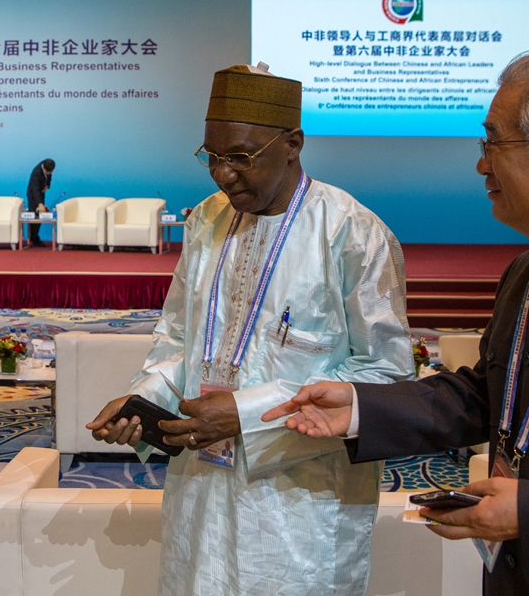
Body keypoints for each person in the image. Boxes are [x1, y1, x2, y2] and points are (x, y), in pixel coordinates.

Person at [268, 45, 529, 595]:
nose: (481, 164)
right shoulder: (527, 271)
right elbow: (487, 397)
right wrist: (361, 407)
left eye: (495, 142)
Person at [86, 64, 413, 595]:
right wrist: (147, 400)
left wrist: (246, 413)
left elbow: (386, 376)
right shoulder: (207, 220)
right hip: (202, 485)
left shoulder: (352, 233)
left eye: (240, 157)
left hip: (299, 501)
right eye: (212, 156)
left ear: (293, 144)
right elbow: (178, 338)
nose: (222, 175)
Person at [25, 158, 54, 247]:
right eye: (47, 172)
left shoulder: (48, 165)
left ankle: (35, 237)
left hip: (41, 192)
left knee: (40, 216)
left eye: (50, 171)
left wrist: (47, 185)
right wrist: (40, 204)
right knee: (34, 216)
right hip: (33, 194)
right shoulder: (36, 173)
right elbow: (35, 190)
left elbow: (49, 177)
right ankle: (33, 238)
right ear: (43, 168)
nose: (49, 173)